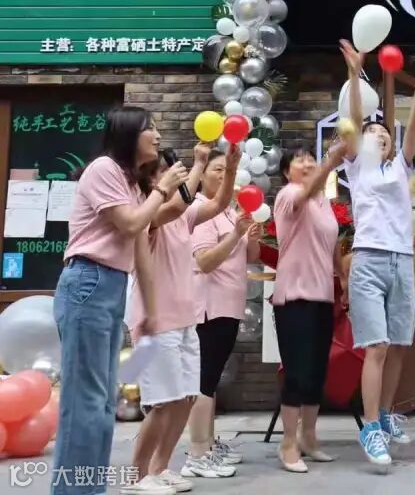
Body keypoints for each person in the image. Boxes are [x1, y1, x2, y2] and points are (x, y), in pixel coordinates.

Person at [52, 106, 186, 495]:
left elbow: (141, 249)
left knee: (101, 403)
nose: (158, 135)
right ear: (129, 133)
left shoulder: (132, 185)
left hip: (110, 285)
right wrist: (162, 189)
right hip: (88, 282)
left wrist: (151, 312)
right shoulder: (104, 170)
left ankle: (89, 488)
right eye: (150, 128)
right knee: (86, 401)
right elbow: (130, 224)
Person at [340, 40, 415, 467]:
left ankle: (384, 412)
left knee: (399, 344)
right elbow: (354, 121)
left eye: (385, 134)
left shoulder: (400, 166)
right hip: (368, 260)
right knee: (377, 345)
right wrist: (354, 73)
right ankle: (370, 427)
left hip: (401, 260)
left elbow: (413, 128)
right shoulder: (356, 166)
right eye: (373, 133)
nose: (380, 135)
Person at [124, 144, 239, 494]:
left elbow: (218, 203)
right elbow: (175, 205)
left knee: (186, 397)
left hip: (186, 319)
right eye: (164, 171)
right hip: (155, 320)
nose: (172, 175)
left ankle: (159, 468)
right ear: (151, 180)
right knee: (162, 402)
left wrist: (231, 167)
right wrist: (198, 164)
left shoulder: (183, 217)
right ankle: (136, 476)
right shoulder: (147, 216)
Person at [271, 143, 348, 472]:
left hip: (322, 296)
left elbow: (331, 244)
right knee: (297, 373)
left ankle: (309, 438)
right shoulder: (289, 195)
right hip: (294, 297)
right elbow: (305, 193)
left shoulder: (323, 202)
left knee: (317, 372)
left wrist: (342, 278)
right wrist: (331, 161)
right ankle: (288, 443)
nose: (306, 164)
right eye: (298, 161)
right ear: (286, 171)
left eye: (310, 159)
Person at [185, 152, 262, 478]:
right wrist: (235, 235)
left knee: (212, 378)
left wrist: (251, 237)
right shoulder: (202, 211)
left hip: (229, 305)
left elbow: (248, 256)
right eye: (217, 169)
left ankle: (209, 444)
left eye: (228, 169)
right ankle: (196, 453)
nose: (223, 174)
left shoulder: (229, 212)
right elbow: (204, 261)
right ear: (202, 175)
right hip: (209, 306)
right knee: (203, 380)